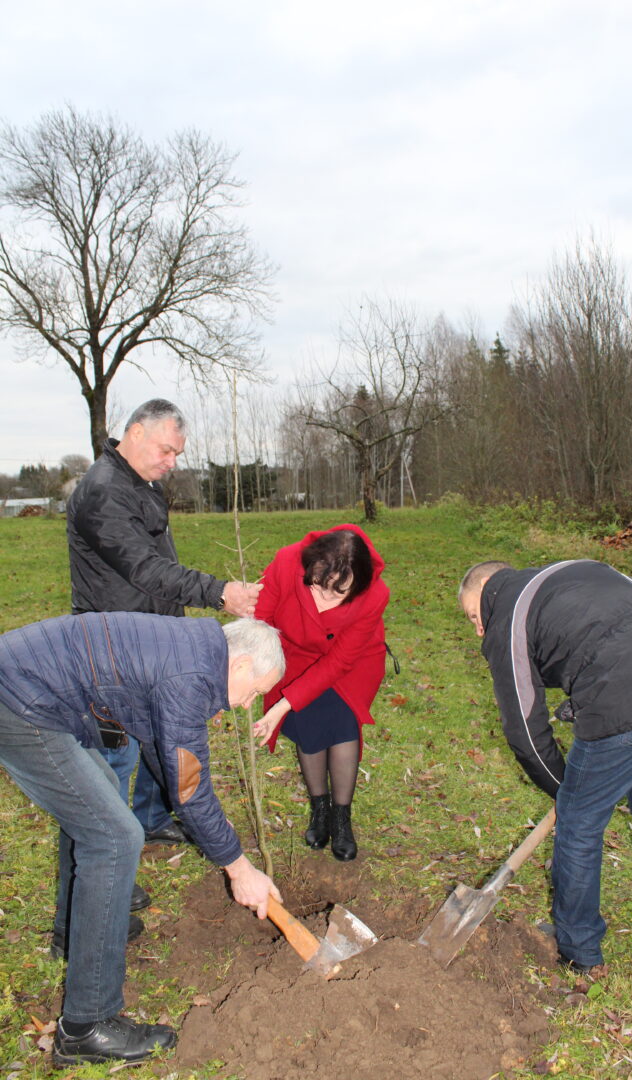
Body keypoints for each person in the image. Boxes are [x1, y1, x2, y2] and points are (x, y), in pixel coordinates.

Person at [0, 612, 284, 1066]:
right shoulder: (190, 677)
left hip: (27, 687)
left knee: (101, 800)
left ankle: (73, 935)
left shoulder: (192, 650)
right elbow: (190, 785)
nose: (248, 704)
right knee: (114, 837)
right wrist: (238, 868)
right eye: (254, 691)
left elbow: (164, 752)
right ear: (241, 664)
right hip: (20, 702)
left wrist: (215, 831)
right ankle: (87, 1026)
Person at [458, 557, 632, 972]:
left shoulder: (507, 616)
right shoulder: (579, 568)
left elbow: (524, 731)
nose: (478, 629)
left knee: (579, 824)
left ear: (486, 587)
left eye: (473, 616)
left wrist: (565, 791)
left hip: (628, 702)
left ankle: (578, 947)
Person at [67, 399, 260, 874]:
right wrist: (219, 593)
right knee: (115, 756)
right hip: (111, 648)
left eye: (177, 453)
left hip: (153, 635)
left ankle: (151, 819)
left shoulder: (142, 483)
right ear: (135, 432)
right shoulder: (104, 492)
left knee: (161, 731)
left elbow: (162, 563)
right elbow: (145, 569)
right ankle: (107, 862)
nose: (172, 462)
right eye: (166, 450)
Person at [253, 525, 389, 861]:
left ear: (358, 584)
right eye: (317, 585)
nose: (323, 599)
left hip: (351, 663)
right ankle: (320, 808)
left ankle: (341, 818)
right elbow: (261, 621)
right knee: (308, 723)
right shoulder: (286, 562)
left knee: (342, 725)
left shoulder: (374, 595)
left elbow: (339, 661)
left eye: (338, 593)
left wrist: (282, 706)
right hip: (295, 655)